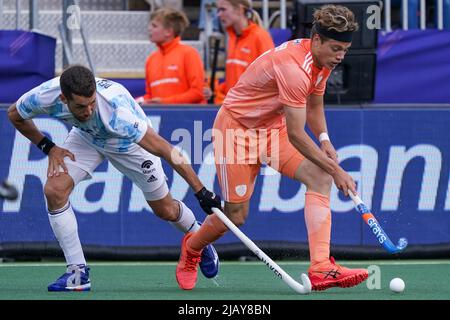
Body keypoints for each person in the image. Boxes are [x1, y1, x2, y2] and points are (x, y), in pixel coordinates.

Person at [176, 4, 369, 291]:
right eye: (336, 49)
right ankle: (192, 248)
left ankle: (321, 267)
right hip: (236, 131)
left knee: (319, 177)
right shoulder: (294, 68)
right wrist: (338, 170)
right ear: (317, 40)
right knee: (236, 216)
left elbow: (314, 105)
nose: (340, 56)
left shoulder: (322, 61)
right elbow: (296, 135)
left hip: (270, 131)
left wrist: (325, 140)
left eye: (345, 50)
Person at [7, 65, 221, 292]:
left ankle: (199, 237)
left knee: (165, 210)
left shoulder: (117, 114)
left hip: (128, 145)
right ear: (63, 98)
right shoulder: (45, 96)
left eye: (92, 103)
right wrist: (48, 147)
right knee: (54, 190)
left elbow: (166, 149)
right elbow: (14, 115)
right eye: (81, 106)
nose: (89, 111)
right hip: (86, 138)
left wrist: (201, 191)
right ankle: (77, 274)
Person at [206, 0, 274, 104]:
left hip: (251, 111)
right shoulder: (232, 38)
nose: (219, 14)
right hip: (235, 108)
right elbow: (234, 80)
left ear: (239, 10)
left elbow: (270, 81)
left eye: (223, 9)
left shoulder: (260, 37)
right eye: (218, 10)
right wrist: (216, 90)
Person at [135, 8, 206, 105]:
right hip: (160, 117)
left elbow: (197, 93)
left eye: (154, 26)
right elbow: (150, 96)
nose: (149, 29)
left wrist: (164, 103)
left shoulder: (189, 53)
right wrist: (135, 102)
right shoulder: (151, 59)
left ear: (168, 32)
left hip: (187, 117)